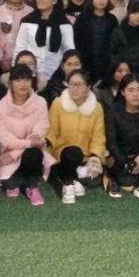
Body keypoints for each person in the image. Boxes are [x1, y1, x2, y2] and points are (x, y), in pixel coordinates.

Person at [0, 64, 55, 206]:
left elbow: (39, 132)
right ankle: (20, 180)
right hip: (8, 155)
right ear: (10, 83)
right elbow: (5, 139)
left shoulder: (40, 102)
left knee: (33, 153)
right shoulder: (1, 107)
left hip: (28, 153)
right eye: (18, 80)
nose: (23, 84)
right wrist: (27, 144)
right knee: (9, 184)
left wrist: (18, 152)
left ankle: (32, 186)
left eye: (27, 79)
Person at [47, 69, 107, 204]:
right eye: (72, 84)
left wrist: (95, 157)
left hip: (84, 156)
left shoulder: (97, 108)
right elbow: (51, 131)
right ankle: (68, 183)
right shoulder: (58, 103)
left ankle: (74, 175)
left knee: (94, 181)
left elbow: (98, 137)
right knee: (72, 152)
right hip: (61, 152)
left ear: (88, 87)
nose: (75, 88)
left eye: (79, 84)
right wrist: (47, 146)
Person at [104, 73, 139, 201]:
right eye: (131, 90)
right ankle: (112, 178)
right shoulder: (113, 111)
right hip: (120, 156)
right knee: (126, 179)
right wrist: (125, 163)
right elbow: (112, 142)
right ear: (123, 92)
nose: (136, 94)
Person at [13, 0, 75, 83]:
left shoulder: (64, 24)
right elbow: (19, 48)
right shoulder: (27, 21)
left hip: (55, 74)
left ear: (54, 0)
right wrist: (14, 71)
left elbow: (69, 51)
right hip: (30, 73)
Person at [72, 0, 118, 83]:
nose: (101, 0)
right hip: (86, 61)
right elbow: (76, 39)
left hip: (106, 62)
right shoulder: (83, 18)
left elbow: (115, 42)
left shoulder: (112, 19)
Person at [107, 0, 139, 79]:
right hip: (123, 72)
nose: (138, 16)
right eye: (134, 13)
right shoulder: (119, 31)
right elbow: (112, 52)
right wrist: (121, 67)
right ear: (128, 13)